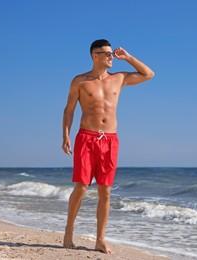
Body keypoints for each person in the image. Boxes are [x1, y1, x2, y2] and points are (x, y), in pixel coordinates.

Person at [62, 39, 154, 254]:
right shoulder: (80, 81)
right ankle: (68, 231)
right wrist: (65, 135)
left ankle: (100, 239)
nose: (111, 56)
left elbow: (149, 74)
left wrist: (128, 57)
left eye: (112, 53)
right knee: (82, 186)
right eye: (107, 53)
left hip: (110, 140)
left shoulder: (119, 78)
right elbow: (68, 110)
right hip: (86, 137)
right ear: (95, 56)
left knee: (105, 191)